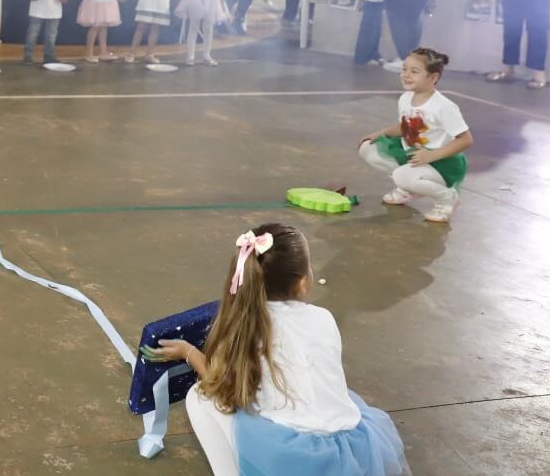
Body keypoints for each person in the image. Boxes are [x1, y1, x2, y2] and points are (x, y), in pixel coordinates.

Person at [146, 223, 407, 476]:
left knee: (200, 396)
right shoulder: (324, 317)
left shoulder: (246, 328)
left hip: (291, 457)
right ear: (302, 282)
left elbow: (224, 390)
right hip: (353, 451)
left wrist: (189, 353)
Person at [358, 48, 472, 223]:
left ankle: (447, 198)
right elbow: (406, 126)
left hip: (442, 162)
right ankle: (406, 188)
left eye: (414, 71)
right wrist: (381, 133)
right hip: (415, 155)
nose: (406, 75)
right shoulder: (405, 98)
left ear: (433, 77)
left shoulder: (443, 107)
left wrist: (431, 155)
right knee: (368, 148)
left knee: (401, 175)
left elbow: (465, 140)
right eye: (404, 69)